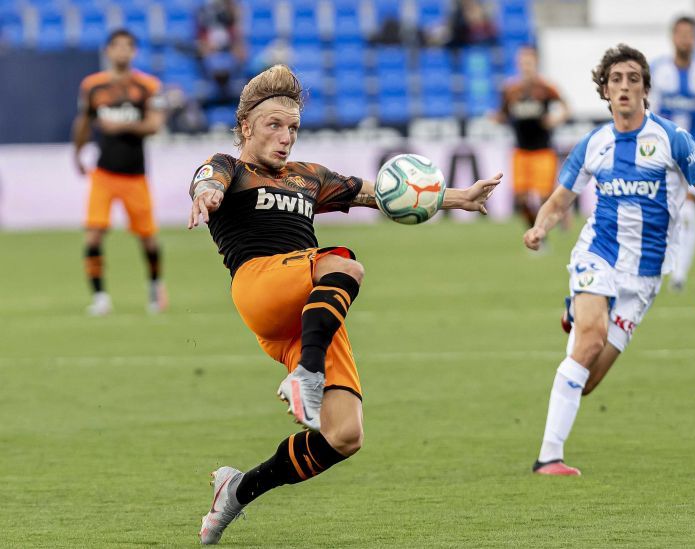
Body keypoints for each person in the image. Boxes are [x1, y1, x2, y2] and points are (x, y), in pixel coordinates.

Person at [189, 65, 500, 544]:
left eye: (293, 127)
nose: (285, 136)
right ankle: (306, 374)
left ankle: (237, 489)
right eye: (274, 125)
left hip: (309, 310)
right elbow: (208, 179)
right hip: (260, 285)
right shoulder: (230, 168)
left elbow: (384, 196)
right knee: (346, 263)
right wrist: (206, 194)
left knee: (344, 436)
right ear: (246, 125)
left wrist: (458, 198)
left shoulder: (309, 177)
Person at [524, 44, 695, 476]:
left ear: (645, 89)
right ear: (604, 90)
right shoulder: (593, 143)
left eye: (633, 79)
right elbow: (559, 200)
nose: (624, 87)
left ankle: (575, 311)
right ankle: (549, 458)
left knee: (586, 379)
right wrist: (541, 227)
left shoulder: (672, 139)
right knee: (590, 341)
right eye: (616, 79)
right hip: (598, 253)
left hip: (645, 276)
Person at [72, 29, 167, 315]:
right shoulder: (92, 86)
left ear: (134, 52)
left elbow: (154, 125)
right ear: (108, 51)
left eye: (128, 46)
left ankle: (154, 288)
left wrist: (121, 126)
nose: (122, 52)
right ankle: (100, 297)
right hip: (103, 174)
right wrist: (77, 152)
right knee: (93, 235)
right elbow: (84, 121)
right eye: (117, 46)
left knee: (147, 237)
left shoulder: (148, 85)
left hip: (135, 175)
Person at [650, 16, 695, 292]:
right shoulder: (658, 70)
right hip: (662, 153)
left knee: (690, 211)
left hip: (693, 151)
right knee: (664, 213)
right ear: (673, 37)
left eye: (690, 34)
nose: (685, 39)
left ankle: (679, 275)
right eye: (680, 34)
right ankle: (660, 264)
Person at [496, 45, 570, 229]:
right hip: (521, 150)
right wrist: (497, 118)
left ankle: (559, 211)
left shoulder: (546, 88)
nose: (526, 66)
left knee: (544, 195)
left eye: (529, 62)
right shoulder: (511, 89)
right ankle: (535, 232)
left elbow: (566, 108)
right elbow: (503, 114)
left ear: (536, 63)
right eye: (523, 63)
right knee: (521, 197)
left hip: (543, 150)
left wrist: (555, 119)